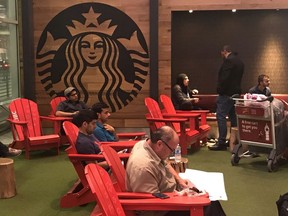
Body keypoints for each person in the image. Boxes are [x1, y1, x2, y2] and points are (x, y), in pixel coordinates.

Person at [126, 126, 226, 216]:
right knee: (208, 206)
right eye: (171, 150)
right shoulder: (144, 167)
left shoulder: (148, 145)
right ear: (160, 144)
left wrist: (179, 180)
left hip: (169, 197)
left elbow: (165, 162)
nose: (171, 154)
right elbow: (151, 206)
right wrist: (181, 197)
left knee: (212, 201)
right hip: (163, 208)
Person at [209, 45, 244, 151]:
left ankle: (221, 142)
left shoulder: (228, 61)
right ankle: (234, 140)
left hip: (226, 94)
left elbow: (224, 78)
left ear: (224, 51)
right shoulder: (240, 62)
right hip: (236, 94)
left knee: (221, 116)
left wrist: (220, 90)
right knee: (233, 117)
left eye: (222, 53)